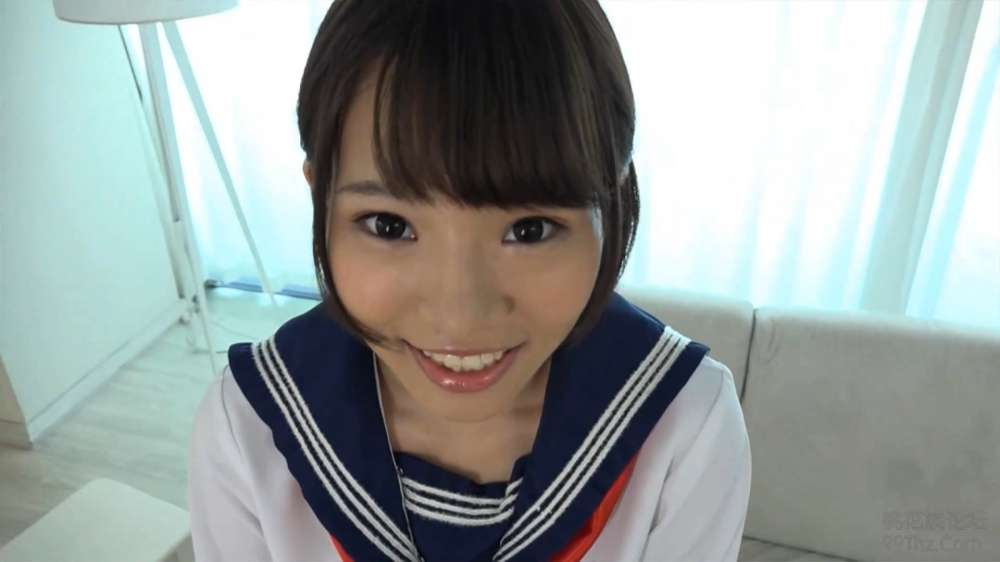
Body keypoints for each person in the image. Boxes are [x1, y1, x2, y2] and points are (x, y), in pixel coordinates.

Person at [187, 1, 752, 561]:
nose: (459, 316)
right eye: (389, 225)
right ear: (321, 197)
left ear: (612, 198)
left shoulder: (682, 424)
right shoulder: (250, 425)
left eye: (529, 229)